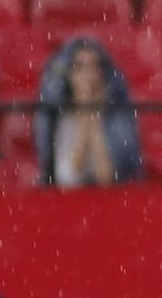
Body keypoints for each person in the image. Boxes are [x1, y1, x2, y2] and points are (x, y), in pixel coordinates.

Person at [34, 37, 142, 188]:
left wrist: (95, 119)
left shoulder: (117, 118)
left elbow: (108, 178)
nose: (88, 75)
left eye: (94, 66)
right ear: (70, 75)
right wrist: (85, 116)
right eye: (80, 67)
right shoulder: (57, 117)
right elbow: (67, 179)